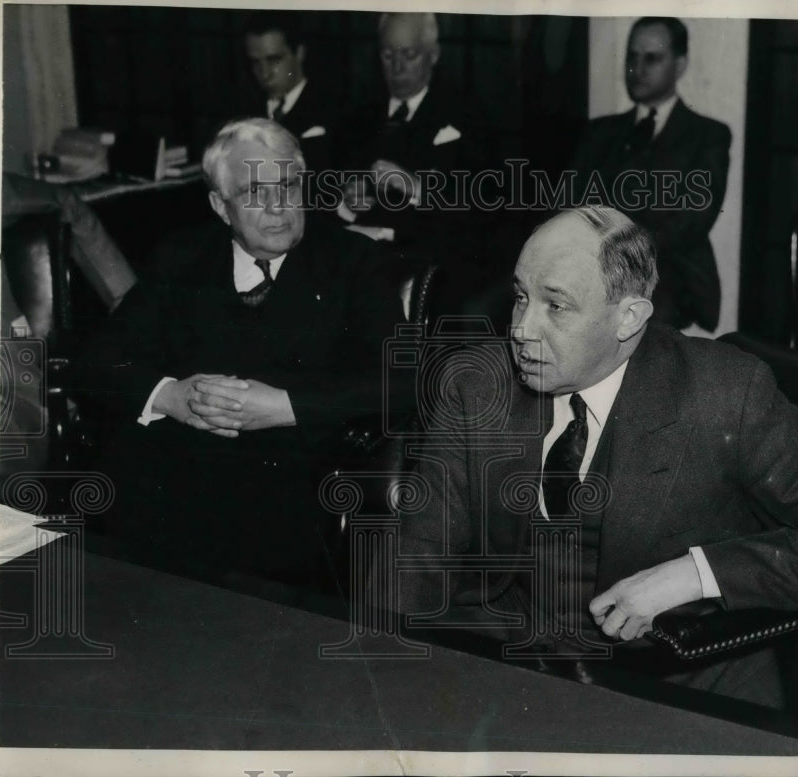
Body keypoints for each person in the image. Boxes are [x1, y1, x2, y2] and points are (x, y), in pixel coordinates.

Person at [387, 206, 798, 707]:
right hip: (515, 665)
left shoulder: (723, 394)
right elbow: (421, 556)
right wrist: (387, 682)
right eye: (521, 297)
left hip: (672, 679)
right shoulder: (478, 382)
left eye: (555, 306)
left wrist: (693, 575)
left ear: (628, 317)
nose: (521, 328)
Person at [74, 118, 404, 593]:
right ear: (220, 206)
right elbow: (98, 359)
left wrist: (286, 405)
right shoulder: (180, 257)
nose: (277, 207)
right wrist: (169, 397)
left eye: (288, 184)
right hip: (168, 478)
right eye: (253, 192)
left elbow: (405, 380)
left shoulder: (353, 262)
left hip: (286, 484)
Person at [571, 17, 731, 332]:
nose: (637, 68)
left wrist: (620, 256)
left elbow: (692, 219)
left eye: (652, 58)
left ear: (680, 65)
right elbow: (570, 201)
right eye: (631, 57)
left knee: (636, 323)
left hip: (667, 272)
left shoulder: (707, 135)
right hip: (592, 265)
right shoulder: (600, 132)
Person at [338, 12, 488, 248]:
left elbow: (484, 206)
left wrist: (416, 187)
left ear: (434, 55)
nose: (397, 68)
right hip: (360, 252)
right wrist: (347, 202)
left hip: (428, 258)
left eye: (409, 55)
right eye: (388, 56)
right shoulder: (359, 114)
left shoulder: (466, 114)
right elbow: (329, 194)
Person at [241, 12, 336, 178]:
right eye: (256, 62)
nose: (264, 73)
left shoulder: (333, 108)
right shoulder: (244, 113)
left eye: (273, 60)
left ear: (299, 53)